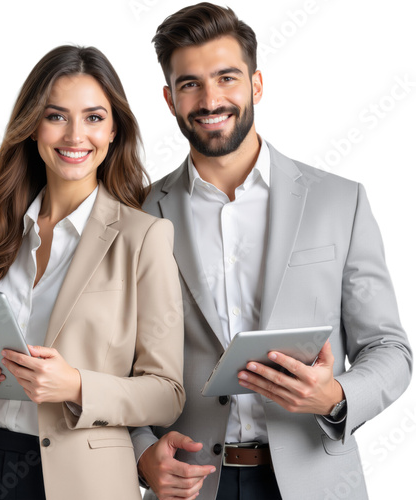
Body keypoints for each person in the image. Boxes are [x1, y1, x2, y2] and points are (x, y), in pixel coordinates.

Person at [130, 3, 412, 500]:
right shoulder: (137, 214)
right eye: (190, 83)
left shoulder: (339, 201)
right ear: (169, 99)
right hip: (190, 485)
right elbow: (114, 367)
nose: (210, 98)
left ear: (256, 85)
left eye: (227, 78)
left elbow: (390, 351)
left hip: (317, 481)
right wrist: (139, 454)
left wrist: (336, 396)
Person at [0, 45, 185, 500]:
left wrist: (77, 385)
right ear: (32, 127)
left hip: (84, 480)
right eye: (56, 116)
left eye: (93, 118)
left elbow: (167, 393)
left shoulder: (143, 237)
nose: (74, 136)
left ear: (113, 131)